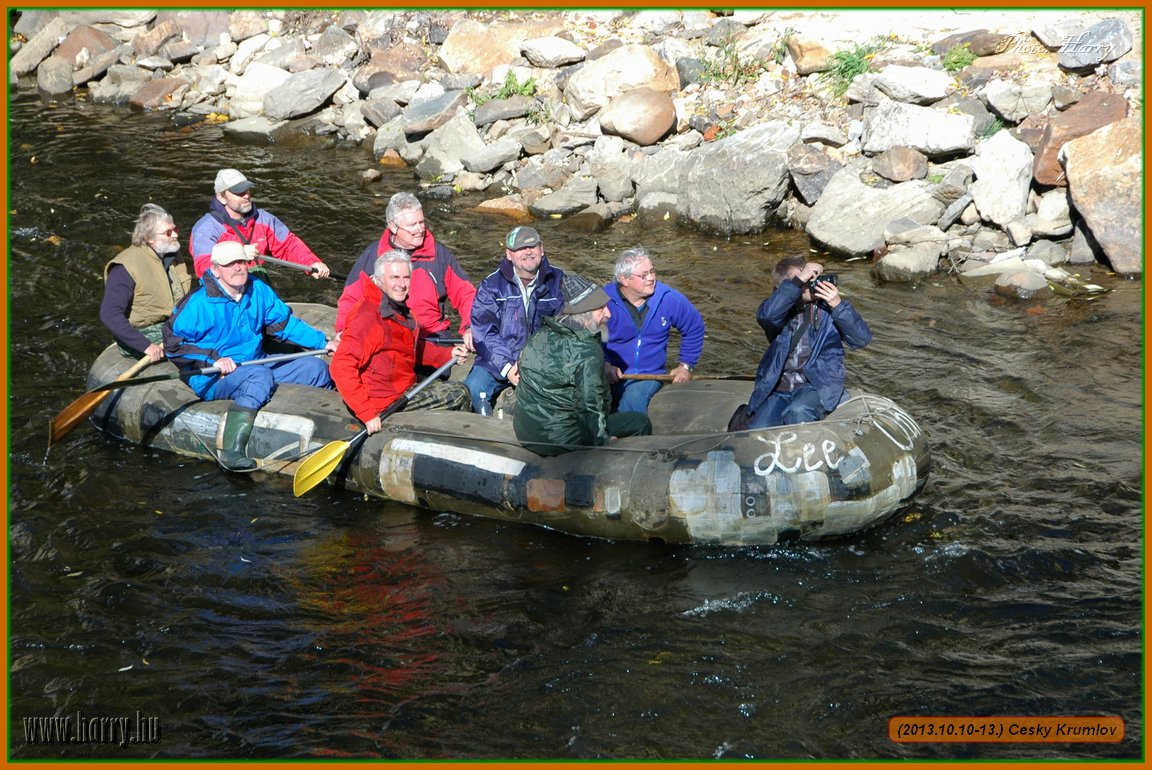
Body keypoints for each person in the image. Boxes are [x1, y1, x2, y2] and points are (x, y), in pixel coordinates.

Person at [163, 241, 338, 471]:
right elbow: (173, 344)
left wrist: (324, 343)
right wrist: (212, 359)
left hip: (256, 361)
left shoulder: (257, 289)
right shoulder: (198, 303)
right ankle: (231, 451)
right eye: (230, 264)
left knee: (314, 369)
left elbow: (285, 324)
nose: (238, 268)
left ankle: (330, 427)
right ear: (215, 269)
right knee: (258, 377)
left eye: (242, 262)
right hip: (214, 376)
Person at [331, 250, 470, 435]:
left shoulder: (397, 308)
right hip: (383, 401)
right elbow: (341, 365)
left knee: (437, 380)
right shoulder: (368, 317)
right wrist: (366, 412)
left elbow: (408, 345)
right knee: (459, 392)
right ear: (379, 280)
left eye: (406, 277)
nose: (402, 284)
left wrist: (446, 354)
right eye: (394, 277)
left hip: (401, 384)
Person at [514, 274, 652, 456]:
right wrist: (601, 445)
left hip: (526, 433)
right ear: (584, 315)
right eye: (600, 309)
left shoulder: (539, 335)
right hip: (559, 440)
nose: (608, 314)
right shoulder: (587, 351)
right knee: (640, 422)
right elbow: (589, 407)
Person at [744, 256, 872, 429]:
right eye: (805, 279)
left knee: (798, 411)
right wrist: (798, 283)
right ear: (786, 286)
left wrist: (838, 305)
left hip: (817, 384)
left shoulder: (829, 309)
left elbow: (861, 339)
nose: (812, 284)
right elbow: (767, 315)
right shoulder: (778, 312)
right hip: (780, 387)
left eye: (814, 278)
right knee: (758, 429)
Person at [336, 192, 476, 350]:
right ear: (393, 227)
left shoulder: (439, 254)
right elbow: (351, 298)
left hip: (430, 335)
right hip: (387, 334)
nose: (420, 230)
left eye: (421, 222)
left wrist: (471, 327)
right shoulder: (373, 255)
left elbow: (466, 294)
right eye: (412, 225)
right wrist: (344, 330)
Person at [464, 226, 565, 415]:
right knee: (473, 390)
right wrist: (508, 367)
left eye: (533, 246)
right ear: (509, 254)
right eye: (520, 248)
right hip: (497, 362)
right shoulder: (491, 286)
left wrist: (536, 361)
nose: (528, 251)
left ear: (541, 250)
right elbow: (484, 333)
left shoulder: (559, 280)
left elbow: (567, 327)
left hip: (542, 363)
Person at [603, 246, 705, 414]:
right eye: (643, 275)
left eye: (652, 271)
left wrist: (686, 366)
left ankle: (633, 438)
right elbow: (588, 335)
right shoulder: (604, 300)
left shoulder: (668, 298)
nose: (651, 278)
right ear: (624, 279)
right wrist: (603, 364)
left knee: (633, 401)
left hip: (649, 376)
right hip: (609, 373)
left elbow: (694, 326)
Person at [188, 168, 331, 281]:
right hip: (225, 294)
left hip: (257, 289)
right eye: (239, 192)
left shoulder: (264, 218)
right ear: (222, 198)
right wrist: (238, 255)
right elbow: (204, 268)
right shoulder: (205, 229)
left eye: (247, 190)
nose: (246, 195)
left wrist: (312, 263)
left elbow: (288, 245)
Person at [100, 203, 192, 362]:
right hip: (144, 332)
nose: (175, 235)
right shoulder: (126, 267)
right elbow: (109, 314)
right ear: (149, 238)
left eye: (175, 229)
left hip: (172, 324)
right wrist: (146, 346)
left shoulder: (173, 256)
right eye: (168, 232)